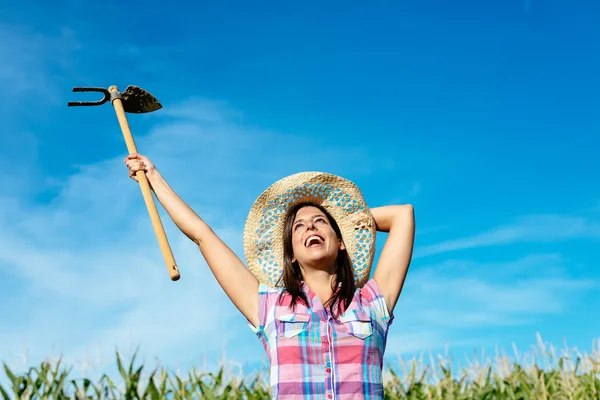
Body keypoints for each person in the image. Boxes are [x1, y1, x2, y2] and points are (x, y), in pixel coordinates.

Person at [124, 153, 415, 400]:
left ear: (340, 242)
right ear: (290, 253)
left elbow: (403, 215)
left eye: (320, 223)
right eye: (299, 227)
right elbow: (203, 236)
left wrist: (344, 224)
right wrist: (154, 180)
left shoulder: (372, 303)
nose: (310, 228)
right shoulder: (270, 307)